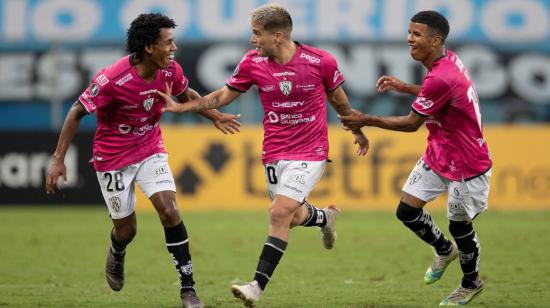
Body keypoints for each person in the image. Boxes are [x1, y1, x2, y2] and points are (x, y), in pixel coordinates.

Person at [156, 4, 369, 307]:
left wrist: (356, 129)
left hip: (310, 152)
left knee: (278, 212)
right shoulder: (252, 62)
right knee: (292, 216)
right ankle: (324, 217)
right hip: (274, 152)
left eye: (257, 34)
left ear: (279, 36)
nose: (253, 40)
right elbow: (223, 95)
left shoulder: (320, 61)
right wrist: (183, 107)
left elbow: (340, 101)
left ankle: (256, 286)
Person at [45, 13, 241, 308]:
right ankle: (117, 249)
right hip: (112, 158)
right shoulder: (112, 78)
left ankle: (188, 289)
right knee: (127, 230)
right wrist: (58, 159)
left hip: (149, 147)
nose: (173, 48)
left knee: (169, 210)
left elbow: (185, 92)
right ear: (149, 47)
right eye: (168, 42)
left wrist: (214, 117)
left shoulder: (169, 70)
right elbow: (75, 111)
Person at [339, 10, 491, 306]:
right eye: (409, 32)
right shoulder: (445, 64)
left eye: (416, 34)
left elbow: (411, 123)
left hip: (465, 164)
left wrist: (365, 118)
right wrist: (403, 86)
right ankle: (444, 251)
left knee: (460, 227)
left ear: (435, 40)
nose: (409, 39)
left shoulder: (441, 77)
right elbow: (437, 93)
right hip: (439, 153)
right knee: (407, 211)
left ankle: (471, 283)